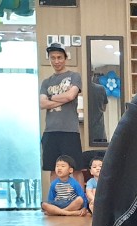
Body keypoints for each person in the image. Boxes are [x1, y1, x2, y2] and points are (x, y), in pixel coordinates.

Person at [39, 43, 83, 190]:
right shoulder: (46, 82)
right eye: (53, 58)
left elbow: (71, 96)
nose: (56, 61)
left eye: (59, 57)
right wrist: (62, 97)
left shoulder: (74, 76)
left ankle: (81, 199)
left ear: (65, 58)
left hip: (70, 131)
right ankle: (55, 199)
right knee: (54, 168)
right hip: (50, 131)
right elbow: (42, 103)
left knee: (75, 168)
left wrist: (51, 97)